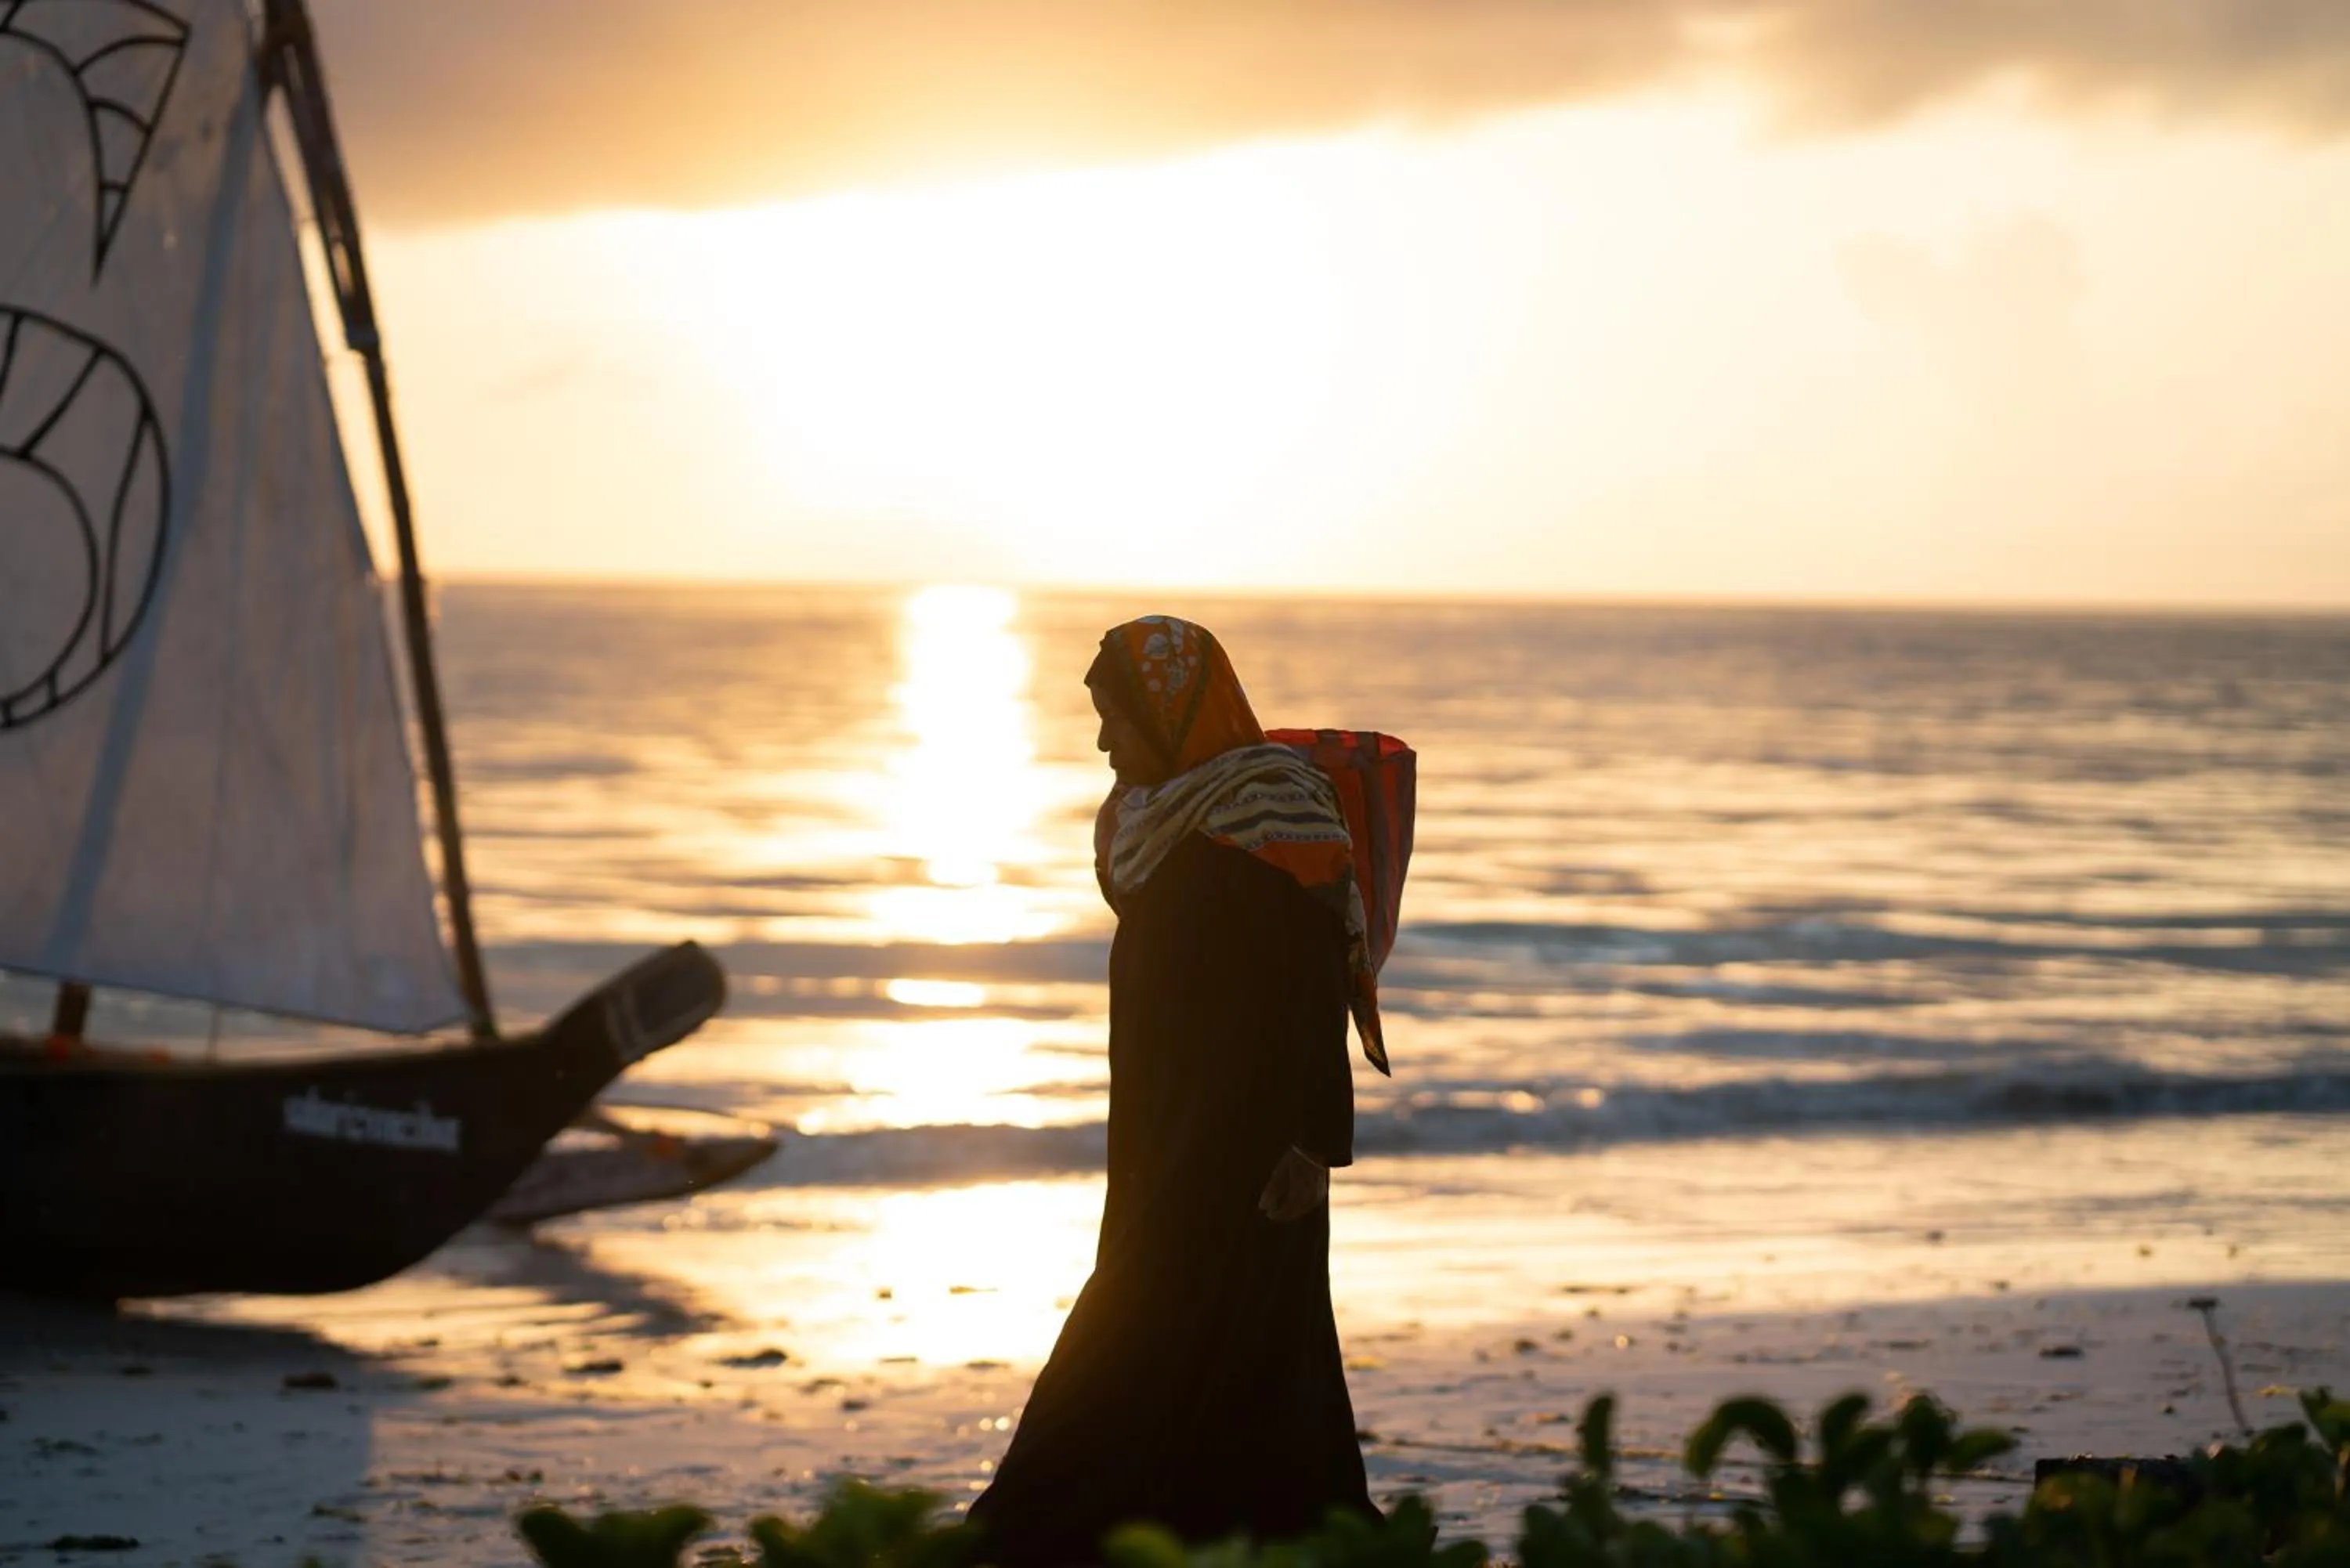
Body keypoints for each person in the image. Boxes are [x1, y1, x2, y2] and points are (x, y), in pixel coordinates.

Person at [966, 616, 1380, 1565]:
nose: (1106, 741)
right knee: (1184, 1318)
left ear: (1174, 709)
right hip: (1163, 1121)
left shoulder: (1272, 809)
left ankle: (1032, 1529)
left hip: (1253, 1136)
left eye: (1117, 719)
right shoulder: (1158, 812)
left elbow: (1312, 990)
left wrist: (1316, 1142)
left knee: (1176, 1322)